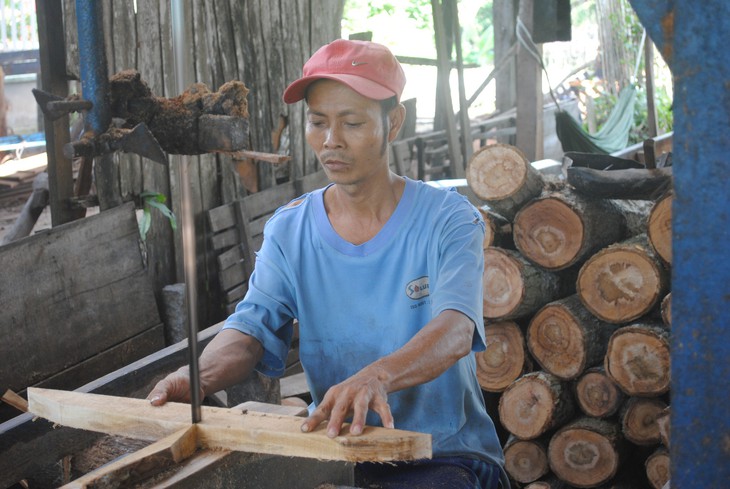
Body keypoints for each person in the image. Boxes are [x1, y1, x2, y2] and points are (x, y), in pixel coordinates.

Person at [148, 39, 509, 489]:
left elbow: (456, 328)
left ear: (393, 123)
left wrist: (377, 376)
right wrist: (196, 376)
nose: (330, 141)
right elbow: (252, 328)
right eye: (317, 122)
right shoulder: (290, 230)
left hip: (444, 455)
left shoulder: (449, 220)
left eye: (352, 123)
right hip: (340, 449)